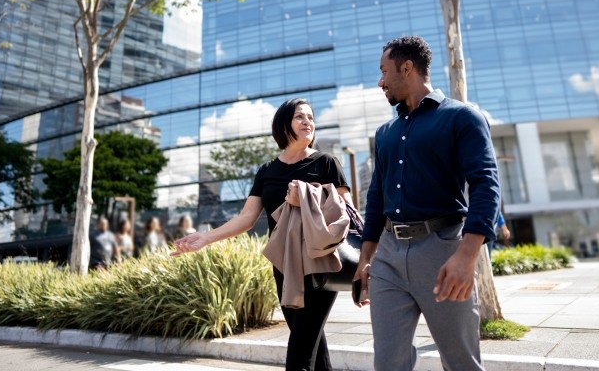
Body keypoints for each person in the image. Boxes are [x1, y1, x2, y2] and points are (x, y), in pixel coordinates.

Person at [172, 98, 352, 371]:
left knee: (300, 353)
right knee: (313, 344)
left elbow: (346, 212)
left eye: (311, 118)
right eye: (300, 117)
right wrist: (205, 238)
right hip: (284, 266)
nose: (308, 122)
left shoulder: (326, 162)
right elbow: (246, 218)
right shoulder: (268, 171)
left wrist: (304, 199)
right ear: (284, 124)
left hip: (320, 263)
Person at [356, 36, 500, 371]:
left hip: (443, 250)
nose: (380, 81)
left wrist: (467, 256)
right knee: (388, 363)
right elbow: (376, 196)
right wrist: (367, 260)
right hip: (389, 255)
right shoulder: (385, 133)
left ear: (406, 68)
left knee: (461, 361)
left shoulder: (462, 117)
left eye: (384, 71)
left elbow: (486, 184)